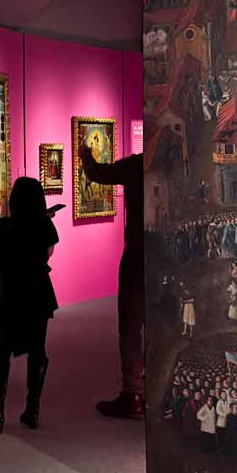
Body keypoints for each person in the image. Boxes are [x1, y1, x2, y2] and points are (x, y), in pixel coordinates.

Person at [0, 177, 59, 432]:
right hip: (38, 292)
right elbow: (49, 251)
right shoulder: (44, 224)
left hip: (8, 293)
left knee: (1, 352)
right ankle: (32, 409)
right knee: (37, 350)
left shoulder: (2, 226)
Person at [82, 150, 146, 419]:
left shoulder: (136, 165)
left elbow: (97, 172)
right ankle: (157, 388)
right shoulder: (174, 160)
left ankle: (133, 393)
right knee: (163, 322)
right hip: (170, 255)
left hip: (138, 252)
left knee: (130, 325)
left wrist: (85, 154)